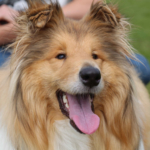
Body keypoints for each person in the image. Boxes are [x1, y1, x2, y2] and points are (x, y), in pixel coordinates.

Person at [0, 0, 150, 85]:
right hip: (7, 46)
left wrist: (55, 20)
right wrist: (21, 30)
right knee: (9, 81)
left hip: (75, 37)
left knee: (139, 67)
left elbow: (93, 3)